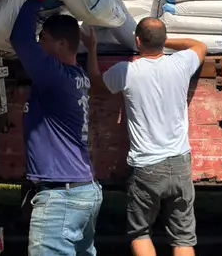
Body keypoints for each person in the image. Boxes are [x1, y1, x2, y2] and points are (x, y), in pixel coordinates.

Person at [84, 18, 207, 256]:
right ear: (162, 41)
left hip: (146, 167)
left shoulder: (126, 70)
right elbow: (199, 45)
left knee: (140, 234)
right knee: (183, 237)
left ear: (137, 41)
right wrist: (163, 40)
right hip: (180, 162)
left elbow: (95, 85)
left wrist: (90, 49)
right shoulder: (180, 63)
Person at [9, 0, 103, 256]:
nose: (39, 44)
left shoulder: (55, 75)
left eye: (45, 39)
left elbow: (20, 39)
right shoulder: (78, 77)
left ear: (61, 44)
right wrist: (93, 47)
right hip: (83, 191)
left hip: (61, 199)